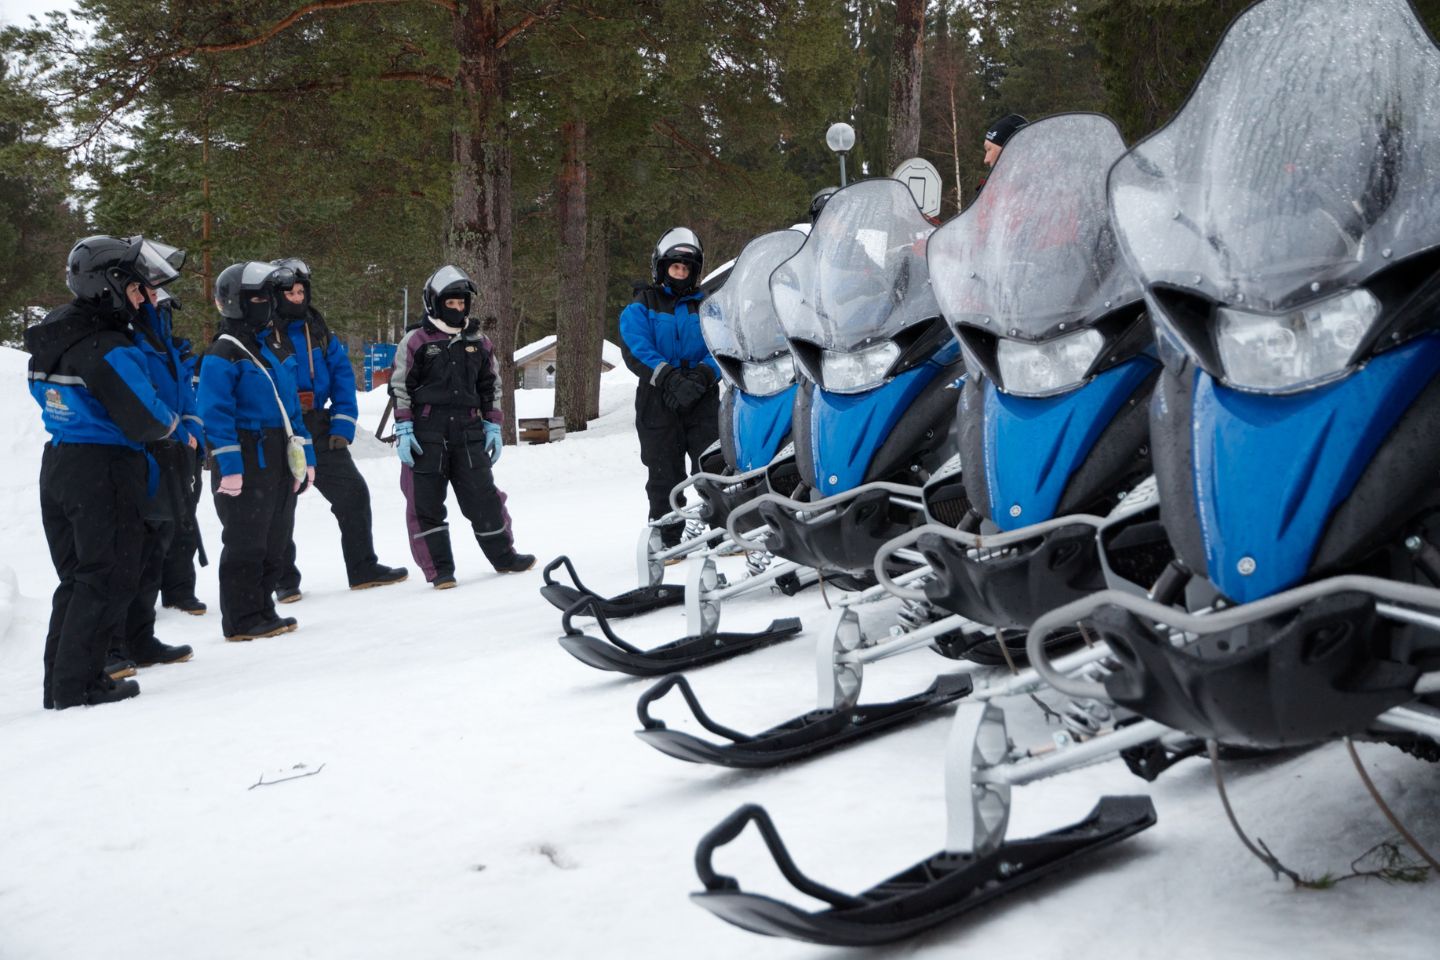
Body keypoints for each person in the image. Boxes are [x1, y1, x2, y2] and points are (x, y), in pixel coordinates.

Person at [26, 236, 182, 709]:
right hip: (105, 466)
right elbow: (149, 418)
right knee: (109, 577)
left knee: (79, 578)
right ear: (109, 287)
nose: (144, 299)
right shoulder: (109, 347)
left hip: (62, 460)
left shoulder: (56, 335)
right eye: (138, 290)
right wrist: (173, 421)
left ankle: (63, 681)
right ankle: (80, 685)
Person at [269, 258, 407, 602]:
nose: (298, 297)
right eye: (290, 292)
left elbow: (343, 378)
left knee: (353, 494)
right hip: (280, 429)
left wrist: (343, 423)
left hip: (319, 425)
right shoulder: (262, 330)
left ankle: (362, 568)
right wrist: (286, 402)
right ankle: (284, 580)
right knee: (279, 507)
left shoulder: (318, 328)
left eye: (302, 291)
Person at [391, 265, 534, 587]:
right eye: (450, 303)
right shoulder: (416, 341)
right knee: (425, 503)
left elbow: (491, 387)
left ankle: (504, 556)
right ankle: (440, 570)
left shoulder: (479, 342)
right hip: (426, 433)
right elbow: (400, 387)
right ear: (434, 302)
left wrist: (493, 425)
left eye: (462, 304)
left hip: (469, 431)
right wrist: (403, 427)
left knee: (484, 498)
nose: (457, 309)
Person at [197, 261, 317, 641]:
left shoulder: (273, 347)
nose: (265, 304)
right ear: (235, 303)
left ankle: (263, 607)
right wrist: (229, 465)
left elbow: (293, 409)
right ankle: (241, 618)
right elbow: (214, 414)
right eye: (257, 298)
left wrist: (307, 457)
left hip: (279, 455)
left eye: (268, 297)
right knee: (245, 541)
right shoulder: (223, 352)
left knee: (275, 538)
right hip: (247, 456)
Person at [112, 249, 204, 670]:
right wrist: (169, 429)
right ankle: (114, 644)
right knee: (129, 552)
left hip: (172, 447)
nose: (150, 297)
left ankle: (140, 636)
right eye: (142, 289)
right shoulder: (123, 330)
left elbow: (182, 387)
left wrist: (190, 429)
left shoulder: (159, 330)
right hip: (142, 447)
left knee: (159, 544)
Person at [618, 227, 721, 547]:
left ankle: (722, 528)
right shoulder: (642, 304)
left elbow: (723, 342)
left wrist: (705, 374)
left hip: (702, 394)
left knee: (714, 463)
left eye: (686, 268)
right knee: (663, 468)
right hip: (657, 395)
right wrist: (669, 377)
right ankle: (666, 533)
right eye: (675, 267)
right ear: (663, 268)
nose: (680, 273)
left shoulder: (708, 304)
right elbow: (636, 346)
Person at [159, 295, 209, 616]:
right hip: (154, 444)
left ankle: (179, 589)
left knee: (184, 521)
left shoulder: (175, 351)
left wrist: (195, 438)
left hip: (183, 450)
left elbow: (189, 400)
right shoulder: (130, 347)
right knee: (154, 526)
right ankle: (138, 601)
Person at [978, 113, 1029, 196]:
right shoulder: (989, 191)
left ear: (1010, 150)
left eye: (989, 149)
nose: (986, 160)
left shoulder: (1038, 189)